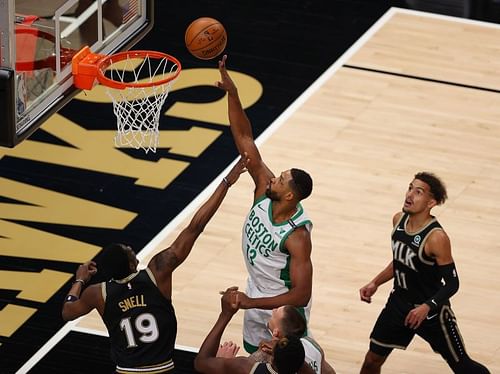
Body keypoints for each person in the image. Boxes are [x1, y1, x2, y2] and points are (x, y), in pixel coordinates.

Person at [61, 154, 249, 374]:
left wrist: (80, 280)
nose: (132, 249)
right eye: (129, 251)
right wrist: (226, 183)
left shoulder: (98, 293)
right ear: (132, 264)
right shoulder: (157, 272)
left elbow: (67, 312)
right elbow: (195, 227)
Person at [216, 54, 314, 354]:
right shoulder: (263, 187)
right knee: (253, 361)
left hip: (282, 311)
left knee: (283, 365)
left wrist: (251, 302)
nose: (274, 179)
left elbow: (300, 294)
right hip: (255, 294)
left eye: (281, 180)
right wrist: (233, 95)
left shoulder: (298, 236)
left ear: (290, 196)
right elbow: (245, 138)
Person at [359, 172, 490, 374]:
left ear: (431, 202)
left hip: (432, 313)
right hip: (398, 304)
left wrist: (426, 307)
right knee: (371, 362)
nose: (410, 195)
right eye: (410, 188)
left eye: (418, 192)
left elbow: (452, 284)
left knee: (463, 366)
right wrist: (375, 282)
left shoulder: (437, 238)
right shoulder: (398, 220)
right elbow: (400, 262)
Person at [194, 288, 307, 374]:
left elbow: (201, 363)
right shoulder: (302, 358)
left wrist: (225, 314)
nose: (273, 310)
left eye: (276, 312)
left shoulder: (246, 367)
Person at [218, 305, 336, 374]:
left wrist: (224, 361)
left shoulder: (262, 356)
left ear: (276, 332)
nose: (273, 309)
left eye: (275, 313)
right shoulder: (312, 345)